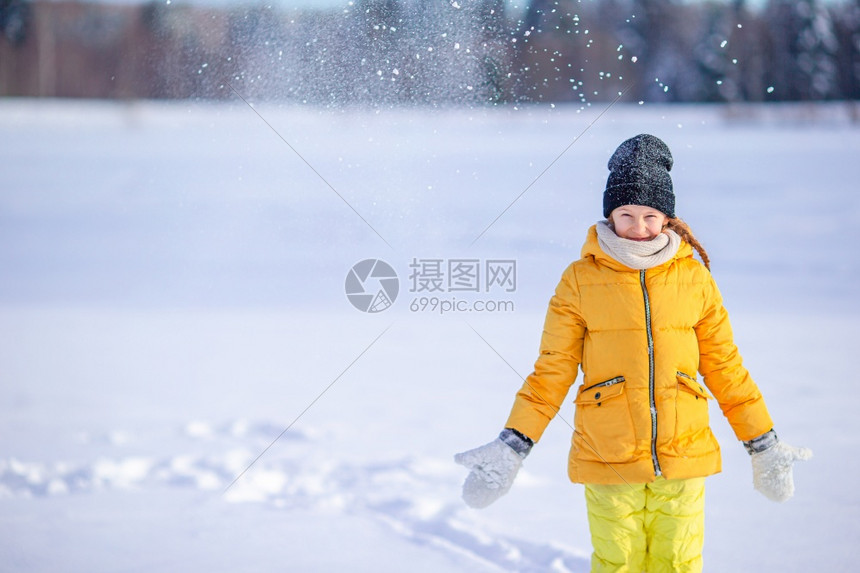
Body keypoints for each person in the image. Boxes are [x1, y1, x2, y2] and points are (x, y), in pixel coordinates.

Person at [454, 134, 811, 572]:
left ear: (667, 218)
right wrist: (513, 445)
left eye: (650, 216)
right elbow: (552, 371)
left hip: (684, 456)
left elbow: (725, 367)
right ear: (609, 214)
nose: (639, 228)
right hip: (609, 456)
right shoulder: (579, 281)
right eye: (626, 215)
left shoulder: (694, 280)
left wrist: (764, 444)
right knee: (616, 564)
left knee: (678, 563)